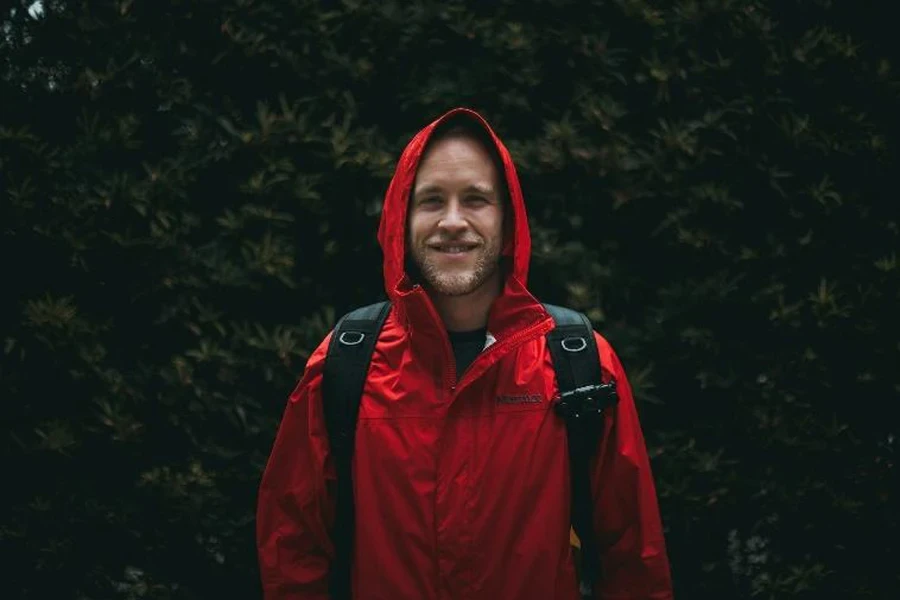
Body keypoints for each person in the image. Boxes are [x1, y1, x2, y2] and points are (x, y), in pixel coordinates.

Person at [256, 107, 673, 600]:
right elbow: (292, 552)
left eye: (475, 199)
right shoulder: (345, 364)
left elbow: (634, 562)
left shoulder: (579, 363)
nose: (453, 222)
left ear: (508, 219)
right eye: (432, 200)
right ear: (400, 220)